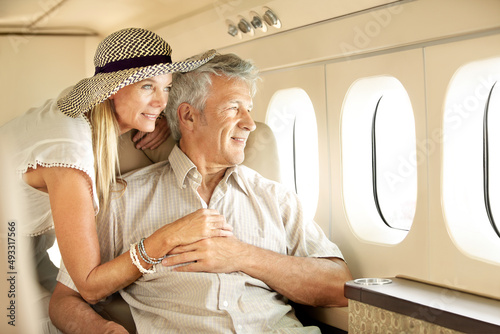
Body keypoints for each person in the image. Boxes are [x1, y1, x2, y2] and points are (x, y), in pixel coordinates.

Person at [53, 52, 352, 333]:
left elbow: (341, 287)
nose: (249, 123)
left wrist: (242, 256)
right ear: (189, 117)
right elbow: (65, 300)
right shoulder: (122, 200)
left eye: (249, 109)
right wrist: (102, 330)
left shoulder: (276, 198)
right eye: (234, 108)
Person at [0, 27, 230, 333]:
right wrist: (168, 237)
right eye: (148, 86)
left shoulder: (89, 108)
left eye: (167, 87)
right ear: (110, 88)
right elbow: (89, 285)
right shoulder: (70, 157)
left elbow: (146, 104)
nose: (162, 101)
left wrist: (154, 118)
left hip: (25, 240)